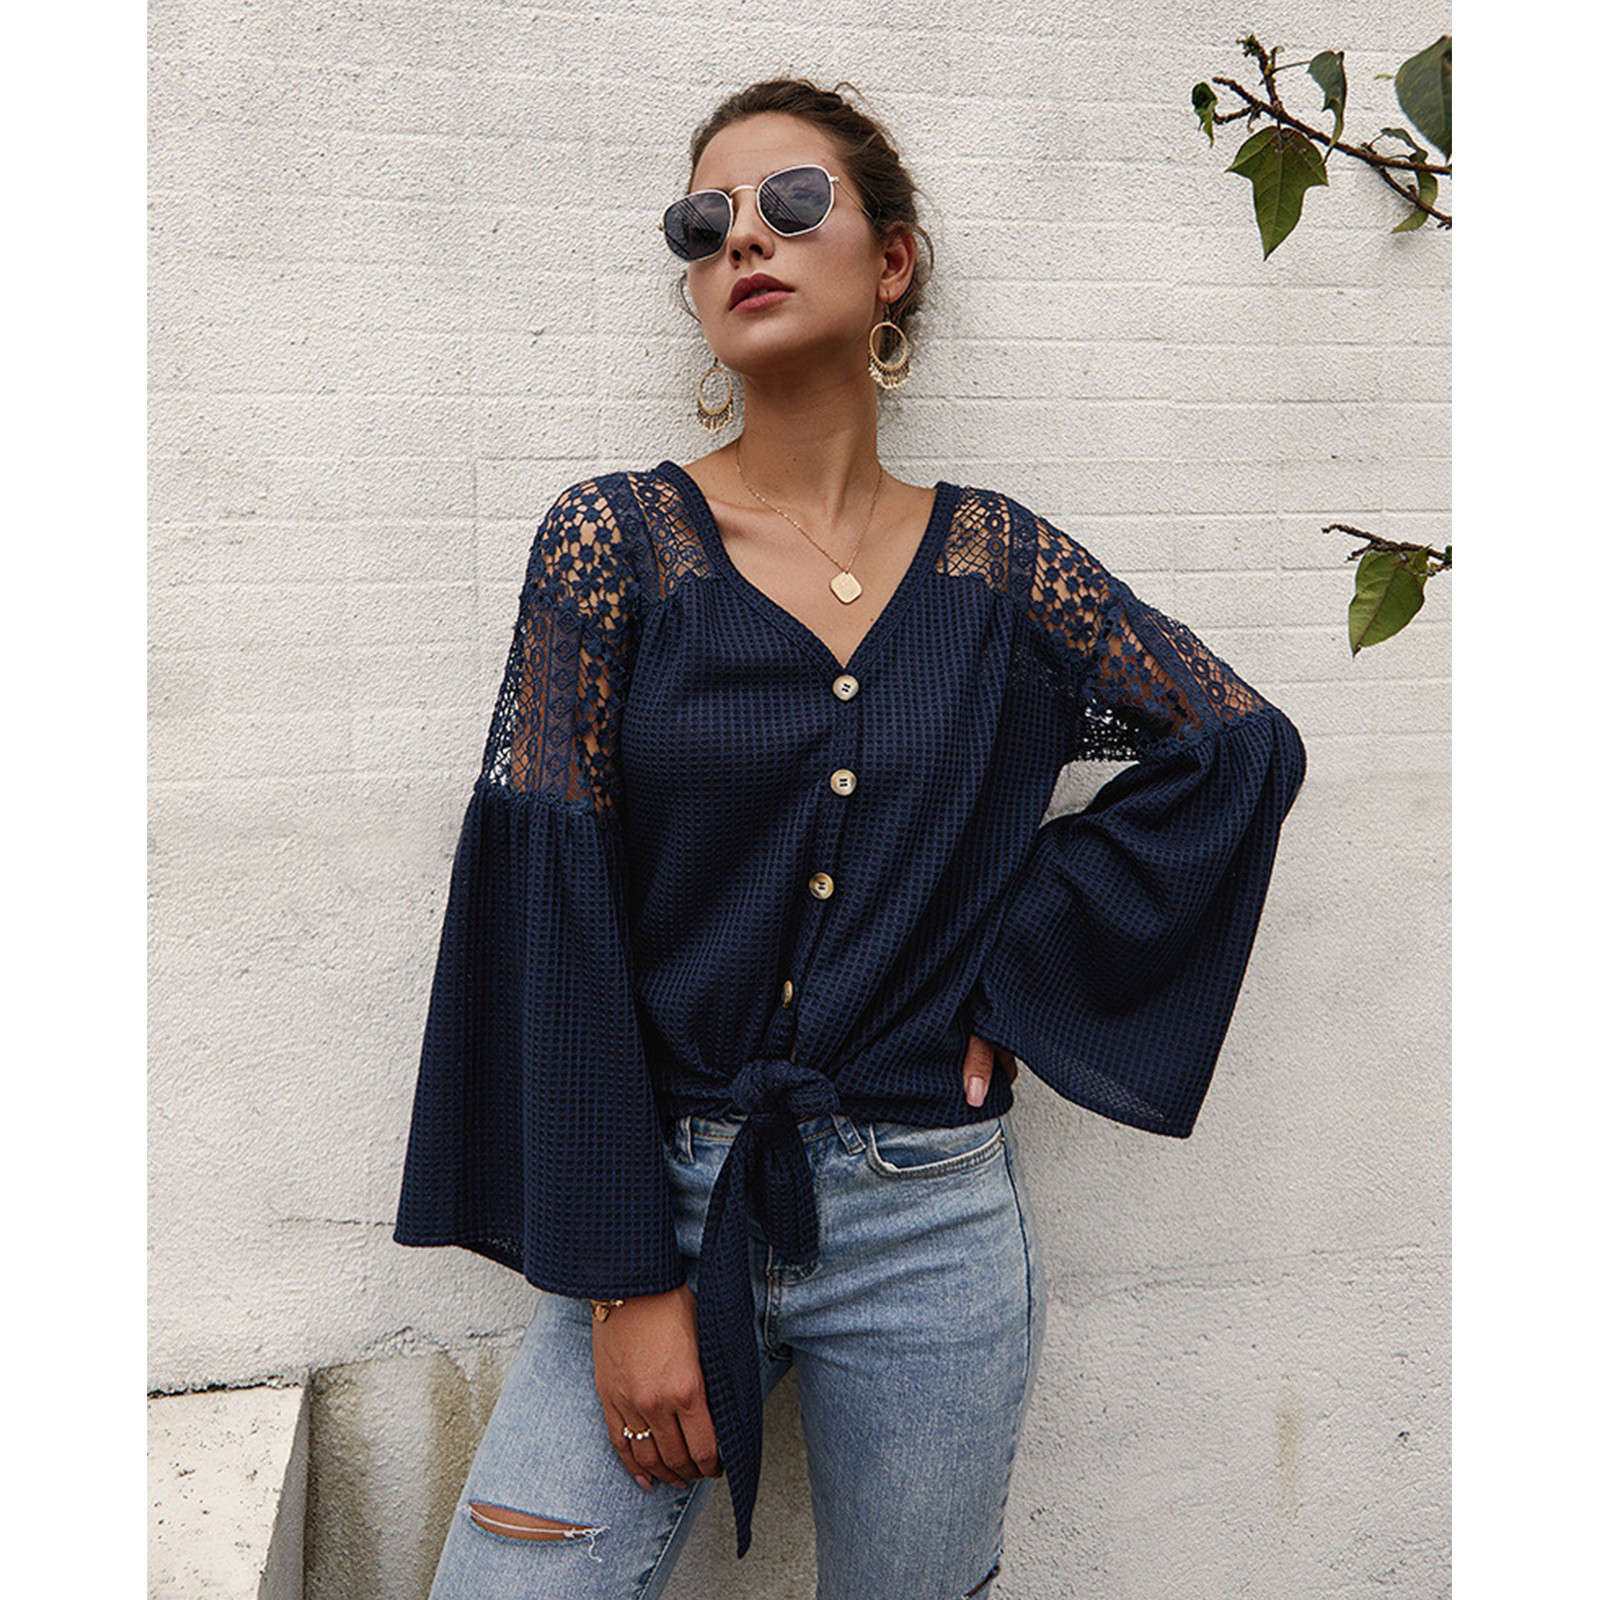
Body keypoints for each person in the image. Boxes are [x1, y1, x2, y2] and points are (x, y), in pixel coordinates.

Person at [394, 78, 1305, 1600]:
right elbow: (549, 911)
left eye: (792, 201)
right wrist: (623, 1281)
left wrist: (1011, 979)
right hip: (670, 1191)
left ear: (891, 262)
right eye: (705, 223)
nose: (743, 238)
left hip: (930, 1216)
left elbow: (1233, 749)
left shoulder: (1000, 568)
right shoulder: (613, 547)